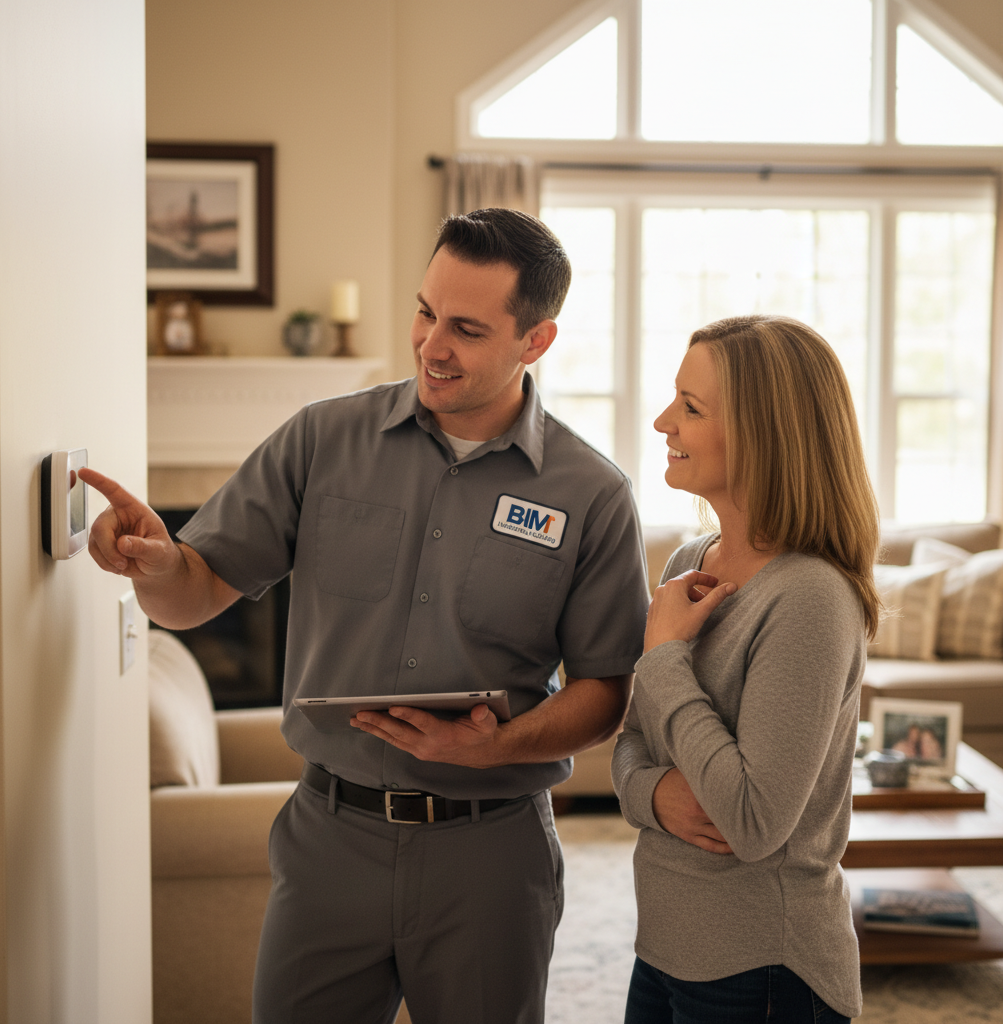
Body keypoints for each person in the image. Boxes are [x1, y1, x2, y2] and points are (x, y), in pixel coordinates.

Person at [81, 208, 649, 1024]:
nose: (430, 344)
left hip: (491, 855)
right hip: (329, 840)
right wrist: (160, 562)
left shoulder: (591, 494)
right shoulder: (321, 439)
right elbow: (199, 590)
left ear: (537, 341)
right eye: (424, 311)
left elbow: (605, 690)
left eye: (465, 327)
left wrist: (497, 748)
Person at [611, 314, 881, 1023]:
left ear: (764, 435)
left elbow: (754, 822)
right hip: (665, 943)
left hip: (763, 965)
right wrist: (654, 796)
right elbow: (631, 743)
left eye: (691, 408)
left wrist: (666, 656)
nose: (664, 420)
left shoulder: (811, 598)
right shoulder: (685, 565)